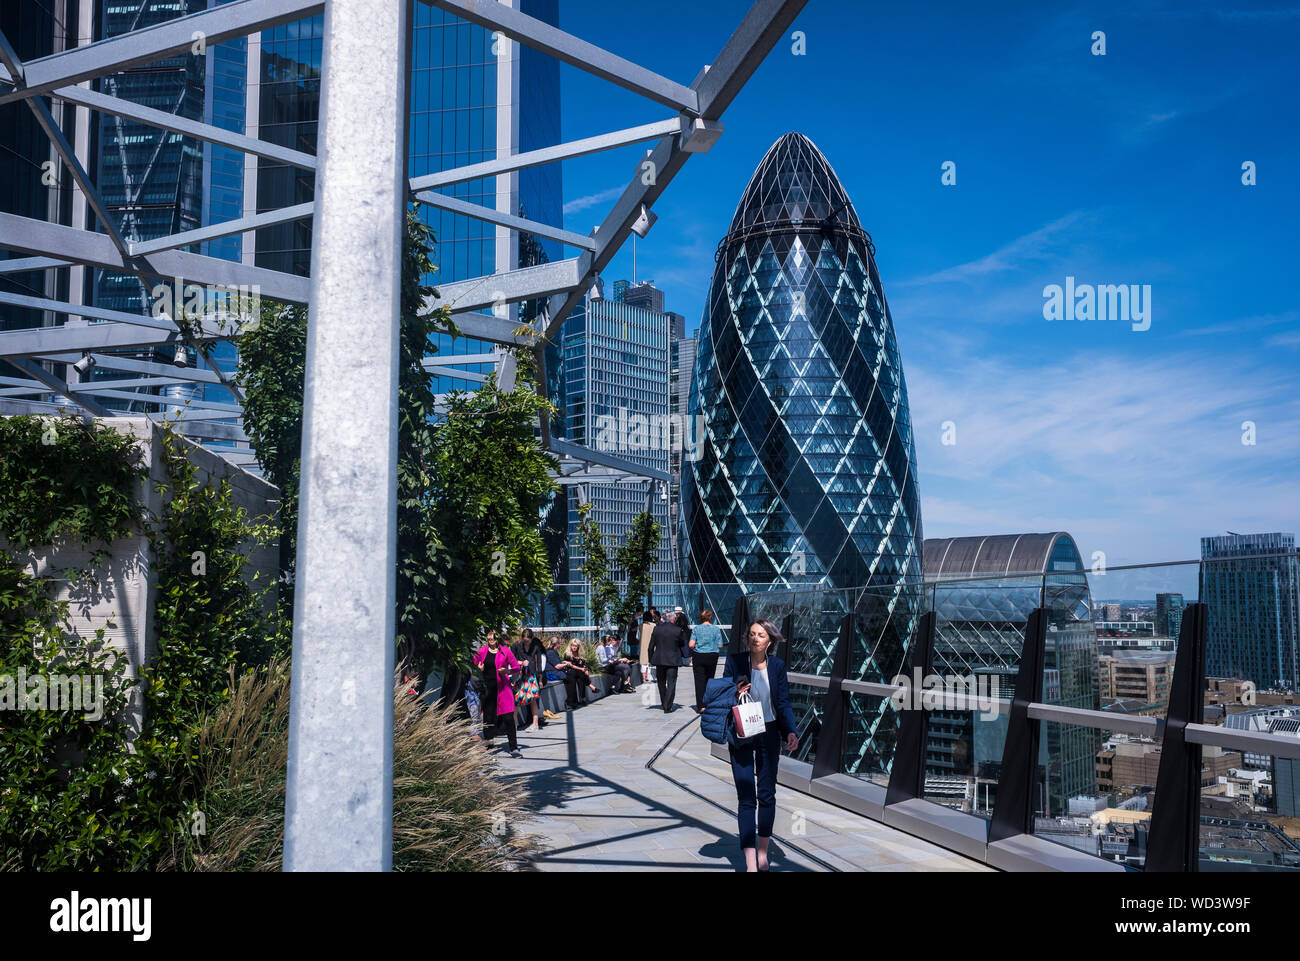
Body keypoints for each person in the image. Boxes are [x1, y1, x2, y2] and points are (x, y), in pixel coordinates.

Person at [725, 620, 798, 871]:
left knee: (766, 794)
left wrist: (790, 730)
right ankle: (749, 861)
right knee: (746, 796)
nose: (756, 639)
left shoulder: (777, 667)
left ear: (770, 641)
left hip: (768, 732)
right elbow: (722, 693)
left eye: (761, 635)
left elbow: (784, 702)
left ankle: (763, 854)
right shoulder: (735, 661)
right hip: (743, 732)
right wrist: (734, 691)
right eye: (753, 634)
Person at [473, 630, 524, 757]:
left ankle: (513, 748)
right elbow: (473, 663)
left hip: (503, 689)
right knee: (488, 718)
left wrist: (506, 671)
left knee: (508, 718)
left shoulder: (505, 651)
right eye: (489, 638)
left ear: (497, 639)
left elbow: (517, 667)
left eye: (493, 639)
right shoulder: (482, 651)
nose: (491, 641)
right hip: (488, 689)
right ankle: (489, 745)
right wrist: (479, 668)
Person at [688, 608, 726, 713]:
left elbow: (691, 644)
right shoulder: (716, 629)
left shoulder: (696, 629)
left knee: (699, 681)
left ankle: (701, 706)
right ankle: (709, 703)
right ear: (710, 617)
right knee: (710, 680)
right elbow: (720, 645)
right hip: (712, 656)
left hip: (699, 656)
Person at [647, 613, 686, 713]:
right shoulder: (677, 630)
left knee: (661, 682)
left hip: (659, 659)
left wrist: (650, 659)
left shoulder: (657, 629)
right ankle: (667, 705)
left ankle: (664, 702)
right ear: (673, 620)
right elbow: (682, 643)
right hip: (672, 660)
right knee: (671, 683)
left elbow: (650, 646)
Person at [511, 634, 543, 731]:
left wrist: (540, 679)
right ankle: (513, 724)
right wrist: (520, 662)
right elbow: (511, 660)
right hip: (519, 676)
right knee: (516, 699)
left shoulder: (535, 647)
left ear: (531, 639)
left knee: (533, 699)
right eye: (524, 640)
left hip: (531, 676)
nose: (526, 642)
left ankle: (535, 723)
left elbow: (539, 663)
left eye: (528, 640)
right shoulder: (516, 645)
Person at [563, 638, 598, 707]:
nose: (574, 647)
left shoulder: (579, 655)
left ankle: (582, 698)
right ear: (570, 646)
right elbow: (571, 666)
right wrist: (581, 669)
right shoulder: (567, 654)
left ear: (578, 647)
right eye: (573, 645)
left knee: (581, 678)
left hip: (578, 673)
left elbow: (583, 666)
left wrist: (586, 670)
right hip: (570, 672)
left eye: (576, 646)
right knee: (580, 673)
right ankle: (586, 693)